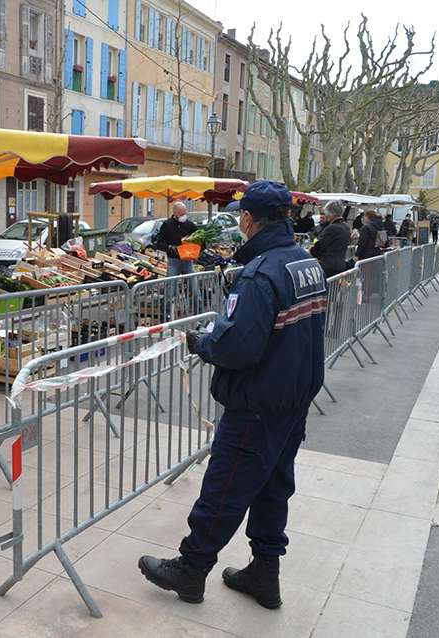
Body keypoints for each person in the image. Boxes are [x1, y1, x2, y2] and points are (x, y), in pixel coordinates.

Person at [138, 181, 325, 610]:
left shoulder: (261, 275)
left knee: (224, 488)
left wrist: (203, 342)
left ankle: (191, 568)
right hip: (293, 396)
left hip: (258, 401)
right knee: (273, 487)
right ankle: (265, 571)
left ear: (248, 220)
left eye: (241, 216)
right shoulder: (303, 262)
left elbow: (238, 346)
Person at [152, 201, 199, 277]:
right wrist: (169, 248)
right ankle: (171, 289)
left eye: (185, 213)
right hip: (173, 260)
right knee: (171, 284)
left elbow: (198, 235)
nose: (184, 216)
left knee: (193, 283)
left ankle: (195, 290)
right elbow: (159, 242)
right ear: (175, 214)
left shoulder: (189, 224)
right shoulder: (167, 224)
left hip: (187, 259)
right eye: (182, 214)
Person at [311, 200, 352, 278]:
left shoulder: (332, 228)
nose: (326, 215)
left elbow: (319, 247)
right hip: (340, 264)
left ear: (331, 213)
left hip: (328, 267)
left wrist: (312, 250)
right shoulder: (346, 226)